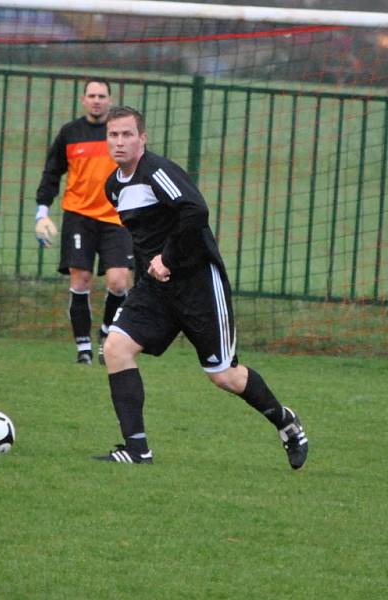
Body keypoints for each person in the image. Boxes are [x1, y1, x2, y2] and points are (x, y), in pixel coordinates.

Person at [96, 105, 308, 469]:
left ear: (142, 138)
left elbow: (196, 211)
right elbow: (144, 232)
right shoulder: (114, 186)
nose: (120, 141)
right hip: (155, 289)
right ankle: (136, 450)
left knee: (224, 376)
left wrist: (167, 258)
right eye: (113, 135)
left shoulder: (157, 172)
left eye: (127, 134)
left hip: (197, 285)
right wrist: (148, 267)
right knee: (115, 348)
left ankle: (286, 422)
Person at [34, 78, 134, 366]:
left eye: (102, 95)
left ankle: (105, 338)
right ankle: (83, 349)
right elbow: (52, 172)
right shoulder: (70, 133)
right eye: (92, 95)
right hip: (79, 216)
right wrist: (42, 210)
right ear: (83, 99)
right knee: (81, 279)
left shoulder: (118, 134)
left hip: (116, 217)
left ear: (110, 99)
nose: (97, 100)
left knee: (118, 281)